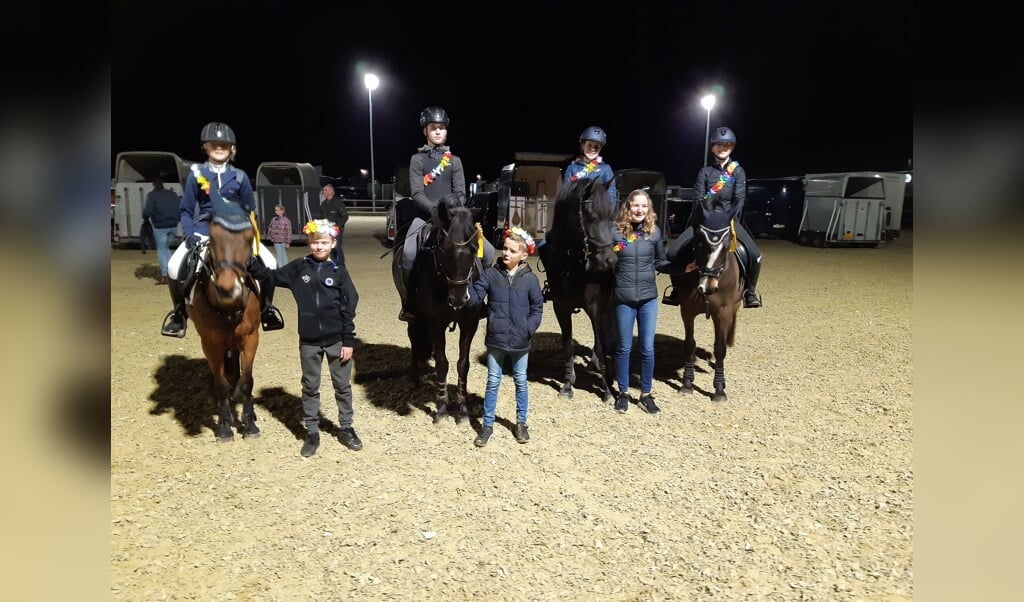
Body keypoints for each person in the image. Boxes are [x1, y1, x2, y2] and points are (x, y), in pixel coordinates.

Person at [248, 219, 363, 457]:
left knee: (342, 386)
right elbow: (271, 277)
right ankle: (311, 431)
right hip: (309, 342)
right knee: (310, 386)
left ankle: (347, 427)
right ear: (309, 243)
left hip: (336, 341)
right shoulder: (299, 268)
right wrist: (250, 263)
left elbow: (349, 306)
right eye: (315, 242)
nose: (319, 247)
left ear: (332, 243)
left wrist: (348, 341)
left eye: (324, 242)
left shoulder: (339, 272)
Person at [160, 121, 285, 338]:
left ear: (232, 149)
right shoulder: (196, 175)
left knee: (271, 262)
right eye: (214, 144)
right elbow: (186, 210)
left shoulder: (240, 177)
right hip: (203, 231)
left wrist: (246, 236)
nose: (219, 148)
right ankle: (179, 313)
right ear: (205, 147)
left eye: (224, 145)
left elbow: (250, 211)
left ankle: (266, 309)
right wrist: (189, 233)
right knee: (173, 265)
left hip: (235, 232)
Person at [396, 105, 495, 322]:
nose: (438, 132)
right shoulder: (417, 160)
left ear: (446, 130)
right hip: (425, 217)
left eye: (441, 128)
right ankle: (409, 302)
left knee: (487, 251)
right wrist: (435, 211)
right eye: (433, 128)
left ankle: (482, 299)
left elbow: (460, 192)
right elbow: (417, 192)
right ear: (425, 131)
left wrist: (450, 213)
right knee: (409, 254)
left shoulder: (454, 161)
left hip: (453, 219)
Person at [663, 126, 763, 308]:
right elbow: (698, 198)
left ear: (732, 147)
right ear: (712, 148)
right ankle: (676, 289)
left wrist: (729, 216)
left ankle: (750, 291)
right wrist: (704, 217)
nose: (723, 147)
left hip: (728, 221)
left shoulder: (737, 172)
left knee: (755, 254)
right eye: (719, 144)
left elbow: (739, 198)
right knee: (673, 252)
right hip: (704, 221)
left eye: (727, 144)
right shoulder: (705, 172)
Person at [468, 227, 544, 447]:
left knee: (521, 381)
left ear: (524, 255)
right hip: (496, 339)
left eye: (512, 250)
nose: (506, 253)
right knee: (493, 381)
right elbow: (476, 294)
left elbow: (537, 308)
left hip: (521, 341)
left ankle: (521, 423)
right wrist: (466, 294)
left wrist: (527, 329)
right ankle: (488, 425)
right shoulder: (491, 274)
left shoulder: (530, 280)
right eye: (505, 248)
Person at [611, 189, 671, 415]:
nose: (640, 210)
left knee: (647, 348)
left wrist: (682, 268)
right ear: (628, 207)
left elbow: (660, 262)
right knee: (624, 347)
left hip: (648, 299)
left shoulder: (654, 233)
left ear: (649, 210)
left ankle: (646, 394)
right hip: (623, 299)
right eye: (636, 205)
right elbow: (606, 259)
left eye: (644, 206)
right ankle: (623, 393)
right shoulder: (615, 232)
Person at [564, 126, 618, 210]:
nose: (592, 149)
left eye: (596, 147)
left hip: (599, 213)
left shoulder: (606, 169)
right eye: (589, 145)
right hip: (576, 212)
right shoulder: (572, 168)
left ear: (600, 148)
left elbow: (611, 196)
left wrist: (607, 214)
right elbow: (566, 193)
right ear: (583, 146)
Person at [142, 176, 179, 284]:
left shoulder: (152, 195)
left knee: (162, 250)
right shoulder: (172, 194)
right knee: (167, 249)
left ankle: (165, 276)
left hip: (160, 227)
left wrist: (144, 217)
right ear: (163, 183)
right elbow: (180, 208)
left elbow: (147, 211)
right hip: (173, 225)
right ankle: (174, 273)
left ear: (153, 184)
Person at [318, 182, 350, 249]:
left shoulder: (338, 202)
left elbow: (345, 216)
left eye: (325, 190)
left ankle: (340, 260)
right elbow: (321, 217)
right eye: (324, 190)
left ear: (331, 192)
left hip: (336, 230)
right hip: (326, 230)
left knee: (337, 249)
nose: (323, 192)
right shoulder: (323, 204)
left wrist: (337, 227)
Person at [267, 204, 292, 268]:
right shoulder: (273, 219)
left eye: (278, 210)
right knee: (278, 255)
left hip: (283, 241)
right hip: (276, 240)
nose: (276, 211)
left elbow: (289, 232)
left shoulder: (286, 220)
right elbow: (270, 227)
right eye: (275, 210)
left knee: (283, 255)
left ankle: (286, 268)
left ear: (282, 211)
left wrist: (288, 242)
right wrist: (270, 234)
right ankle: (280, 268)